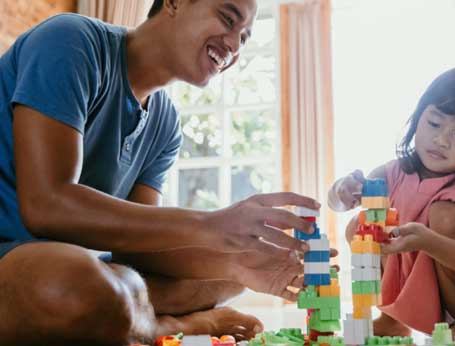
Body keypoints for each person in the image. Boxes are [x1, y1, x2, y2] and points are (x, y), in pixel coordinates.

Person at [0, 0, 328, 345]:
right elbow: (46, 205)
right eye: (227, 18)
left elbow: (140, 250)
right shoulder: (70, 41)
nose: (233, 45)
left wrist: (238, 263)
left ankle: (125, 311)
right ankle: (172, 326)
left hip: (79, 265)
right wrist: (210, 225)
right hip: (25, 261)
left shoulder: (166, 123)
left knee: (235, 272)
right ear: (172, 2)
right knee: (76, 287)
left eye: (243, 39)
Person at [328, 66, 455, 342]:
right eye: (434, 123)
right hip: (418, 285)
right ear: (419, 117)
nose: (441, 140)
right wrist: (342, 190)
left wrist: (426, 240)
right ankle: (393, 318)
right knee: (360, 225)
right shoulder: (392, 173)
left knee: (443, 214)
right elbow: (336, 203)